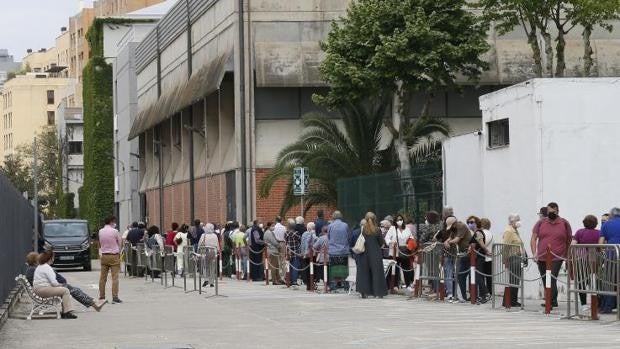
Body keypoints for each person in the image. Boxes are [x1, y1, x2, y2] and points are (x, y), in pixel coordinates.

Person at [25, 252, 106, 312]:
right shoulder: (37, 269)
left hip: (44, 289)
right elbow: (55, 280)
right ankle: (93, 303)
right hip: (45, 290)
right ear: (36, 260)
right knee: (70, 289)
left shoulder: (33, 269)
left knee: (73, 289)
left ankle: (93, 303)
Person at [530, 202, 572, 309]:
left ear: (557, 211)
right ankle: (553, 300)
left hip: (557, 256)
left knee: (552, 277)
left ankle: (549, 301)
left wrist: (567, 255)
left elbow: (569, 240)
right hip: (542, 256)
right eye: (549, 211)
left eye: (553, 211)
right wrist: (534, 253)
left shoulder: (564, 223)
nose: (550, 213)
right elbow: (534, 238)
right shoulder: (540, 223)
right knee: (545, 279)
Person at [33, 250, 77, 319]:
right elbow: (54, 283)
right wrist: (60, 285)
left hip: (38, 289)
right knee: (65, 290)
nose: (54, 259)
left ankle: (65, 311)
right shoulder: (47, 267)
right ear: (50, 258)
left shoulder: (40, 266)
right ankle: (67, 312)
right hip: (43, 290)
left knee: (63, 290)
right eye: (53, 257)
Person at [571, 214, 600, 312]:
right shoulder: (599, 233)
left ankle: (583, 304)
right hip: (595, 259)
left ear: (584, 223)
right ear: (596, 223)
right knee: (595, 280)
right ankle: (595, 303)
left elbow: (573, 245)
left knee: (581, 281)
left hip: (581, 259)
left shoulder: (579, 232)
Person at [356, 212, 388, 298]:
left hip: (364, 254)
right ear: (375, 219)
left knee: (364, 273)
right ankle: (378, 293)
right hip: (375, 254)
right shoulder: (377, 230)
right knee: (377, 273)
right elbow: (382, 243)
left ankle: (364, 292)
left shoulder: (363, 230)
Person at [443, 216, 472, 302]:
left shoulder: (461, 226)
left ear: (454, 223)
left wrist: (449, 242)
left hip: (466, 253)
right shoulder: (454, 228)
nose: (451, 228)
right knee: (460, 276)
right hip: (461, 253)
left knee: (464, 275)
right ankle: (462, 296)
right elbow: (450, 238)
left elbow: (457, 239)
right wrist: (446, 242)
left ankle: (464, 296)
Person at [599, 207, 620, 313]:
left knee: (609, 282)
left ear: (611, 215)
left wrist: (603, 251)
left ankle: (607, 307)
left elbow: (601, 242)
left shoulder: (606, 224)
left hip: (611, 256)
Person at [502, 214, 525, 307]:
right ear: (512, 221)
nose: (519, 222)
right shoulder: (509, 231)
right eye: (517, 220)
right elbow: (505, 246)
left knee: (516, 280)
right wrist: (505, 259)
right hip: (512, 258)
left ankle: (513, 300)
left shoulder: (515, 231)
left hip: (518, 258)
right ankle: (509, 301)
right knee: (513, 280)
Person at [385, 214, 414, 288]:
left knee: (406, 268)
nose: (399, 221)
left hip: (405, 250)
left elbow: (411, 238)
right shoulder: (392, 228)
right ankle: (395, 285)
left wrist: (409, 244)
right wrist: (390, 243)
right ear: (395, 221)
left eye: (401, 219)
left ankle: (408, 285)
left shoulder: (407, 228)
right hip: (394, 251)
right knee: (395, 269)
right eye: (397, 220)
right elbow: (387, 238)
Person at [98, 216, 123, 303]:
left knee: (102, 278)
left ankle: (102, 296)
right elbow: (120, 243)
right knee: (115, 277)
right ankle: (115, 297)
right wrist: (119, 253)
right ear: (112, 222)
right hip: (114, 256)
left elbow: (100, 243)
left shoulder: (100, 231)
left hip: (104, 256)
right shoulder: (115, 231)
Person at [468, 216, 490, 304]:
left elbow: (481, 242)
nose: (470, 224)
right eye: (468, 222)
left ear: (477, 223)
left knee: (478, 276)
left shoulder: (478, 232)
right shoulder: (476, 232)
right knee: (477, 276)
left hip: (479, 257)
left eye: (472, 222)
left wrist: (486, 250)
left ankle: (486, 293)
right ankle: (483, 296)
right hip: (476, 256)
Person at [327, 211, 350, 290]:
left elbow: (328, 237)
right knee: (344, 267)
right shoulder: (345, 225)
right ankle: (345, 284)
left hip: (333, 251)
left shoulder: (330, 226)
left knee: (333, 267)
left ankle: (333, 284)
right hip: (344, 250)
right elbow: (347, 236)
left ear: (333, 217)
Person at [198, 223, 220, 287]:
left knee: (205, 266)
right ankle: (212, 281)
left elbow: (200, 244)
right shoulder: (215, 235)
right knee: (212, 266)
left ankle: (206, 279)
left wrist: (198, 251)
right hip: (213, 252)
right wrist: (218, 251)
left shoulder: (203, 235)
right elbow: (217, 244)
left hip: (206, 251)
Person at [300, 222, 317, 289]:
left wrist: (302, 253)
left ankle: (308, 284)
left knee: (307, 269)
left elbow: (302, 244)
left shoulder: (304, 234)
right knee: (313, 269)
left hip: (305, 254)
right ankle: (312, 284)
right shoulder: (313, 234)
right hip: (312, 254)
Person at [285, 219, 302, 285]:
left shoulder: (286, 233)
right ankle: (294, 280)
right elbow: (299, 240)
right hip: (295, 252)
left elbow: (285, 241)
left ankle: (289, 280)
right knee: (295, 266)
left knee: (289, 266)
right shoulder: (296, 233)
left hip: (288, 252)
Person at [480, 218, 493, 294]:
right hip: (490, 258)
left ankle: (484, 293)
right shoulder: (491, 234)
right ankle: (490, 292)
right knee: (489, 277)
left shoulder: (481, 233)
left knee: (480, 276)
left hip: (482, 257)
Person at [273, 216, 288, 282]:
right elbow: (286, 235)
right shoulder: (284, 227)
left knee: (276, 259)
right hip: (282, 243)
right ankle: (284, 274)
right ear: (281, 220)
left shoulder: (274, 228)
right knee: (283, 259)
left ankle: (278, 274)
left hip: (276, 243)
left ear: (276, 220)